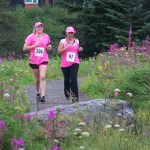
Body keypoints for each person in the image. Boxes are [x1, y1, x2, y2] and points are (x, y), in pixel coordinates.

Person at [23, 22, 52, 102]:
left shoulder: (46, 36)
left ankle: (43, 96)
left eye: (41, 27)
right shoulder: (30, 37)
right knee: (37, 79)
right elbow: (24, 48)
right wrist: (34, 46)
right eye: (38, 27)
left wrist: (49, 47)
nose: (40, 28)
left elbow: (48, 46)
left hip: (43, 59)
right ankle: (37, 92)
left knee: (42, 77)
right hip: (34, 60)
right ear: (35, 28)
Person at [58, 26, 83, 103]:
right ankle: (67, 93)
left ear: (73, 33)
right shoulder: (63, 41)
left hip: (75, 62)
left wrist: (80, 49)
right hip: (65, 64)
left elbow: (76, 49)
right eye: (69, 33)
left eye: (72, 33)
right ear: (66, 33)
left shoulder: (76, 41)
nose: (70, 34)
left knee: (74, 79)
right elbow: (59, 52)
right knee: (67, 81)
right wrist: (66, 48)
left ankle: (75, 99)